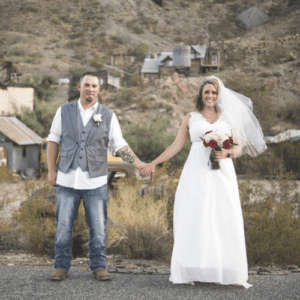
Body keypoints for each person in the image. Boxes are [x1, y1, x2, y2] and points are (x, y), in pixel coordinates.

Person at [140, 76, 267, 288]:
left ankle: (225, 269)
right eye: (207, 92)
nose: (210, 96)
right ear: (201, 94)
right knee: (194, 214)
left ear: (219, 96)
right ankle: (193, 267)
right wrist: (154, 162)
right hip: (196, 171)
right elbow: (176, 145)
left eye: (214, 93)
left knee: (222, 215)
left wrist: (227, 153)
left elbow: (240, 147)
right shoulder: (191, 117)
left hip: (221, 173)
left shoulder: (227, 118)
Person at [47, 71, 144, 281]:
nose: (90, 89)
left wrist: (138, 163)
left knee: (99, 228)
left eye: (94, 86)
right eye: (86, 85)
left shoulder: (108, 115)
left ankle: (99, 265)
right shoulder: (63, 111)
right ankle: (61, 266)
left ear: (99, 90)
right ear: (79, 88)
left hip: (95, 182)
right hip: (66, 180)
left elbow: (119, 145)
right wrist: (51, 170)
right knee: (63, 226)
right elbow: (53, 140)